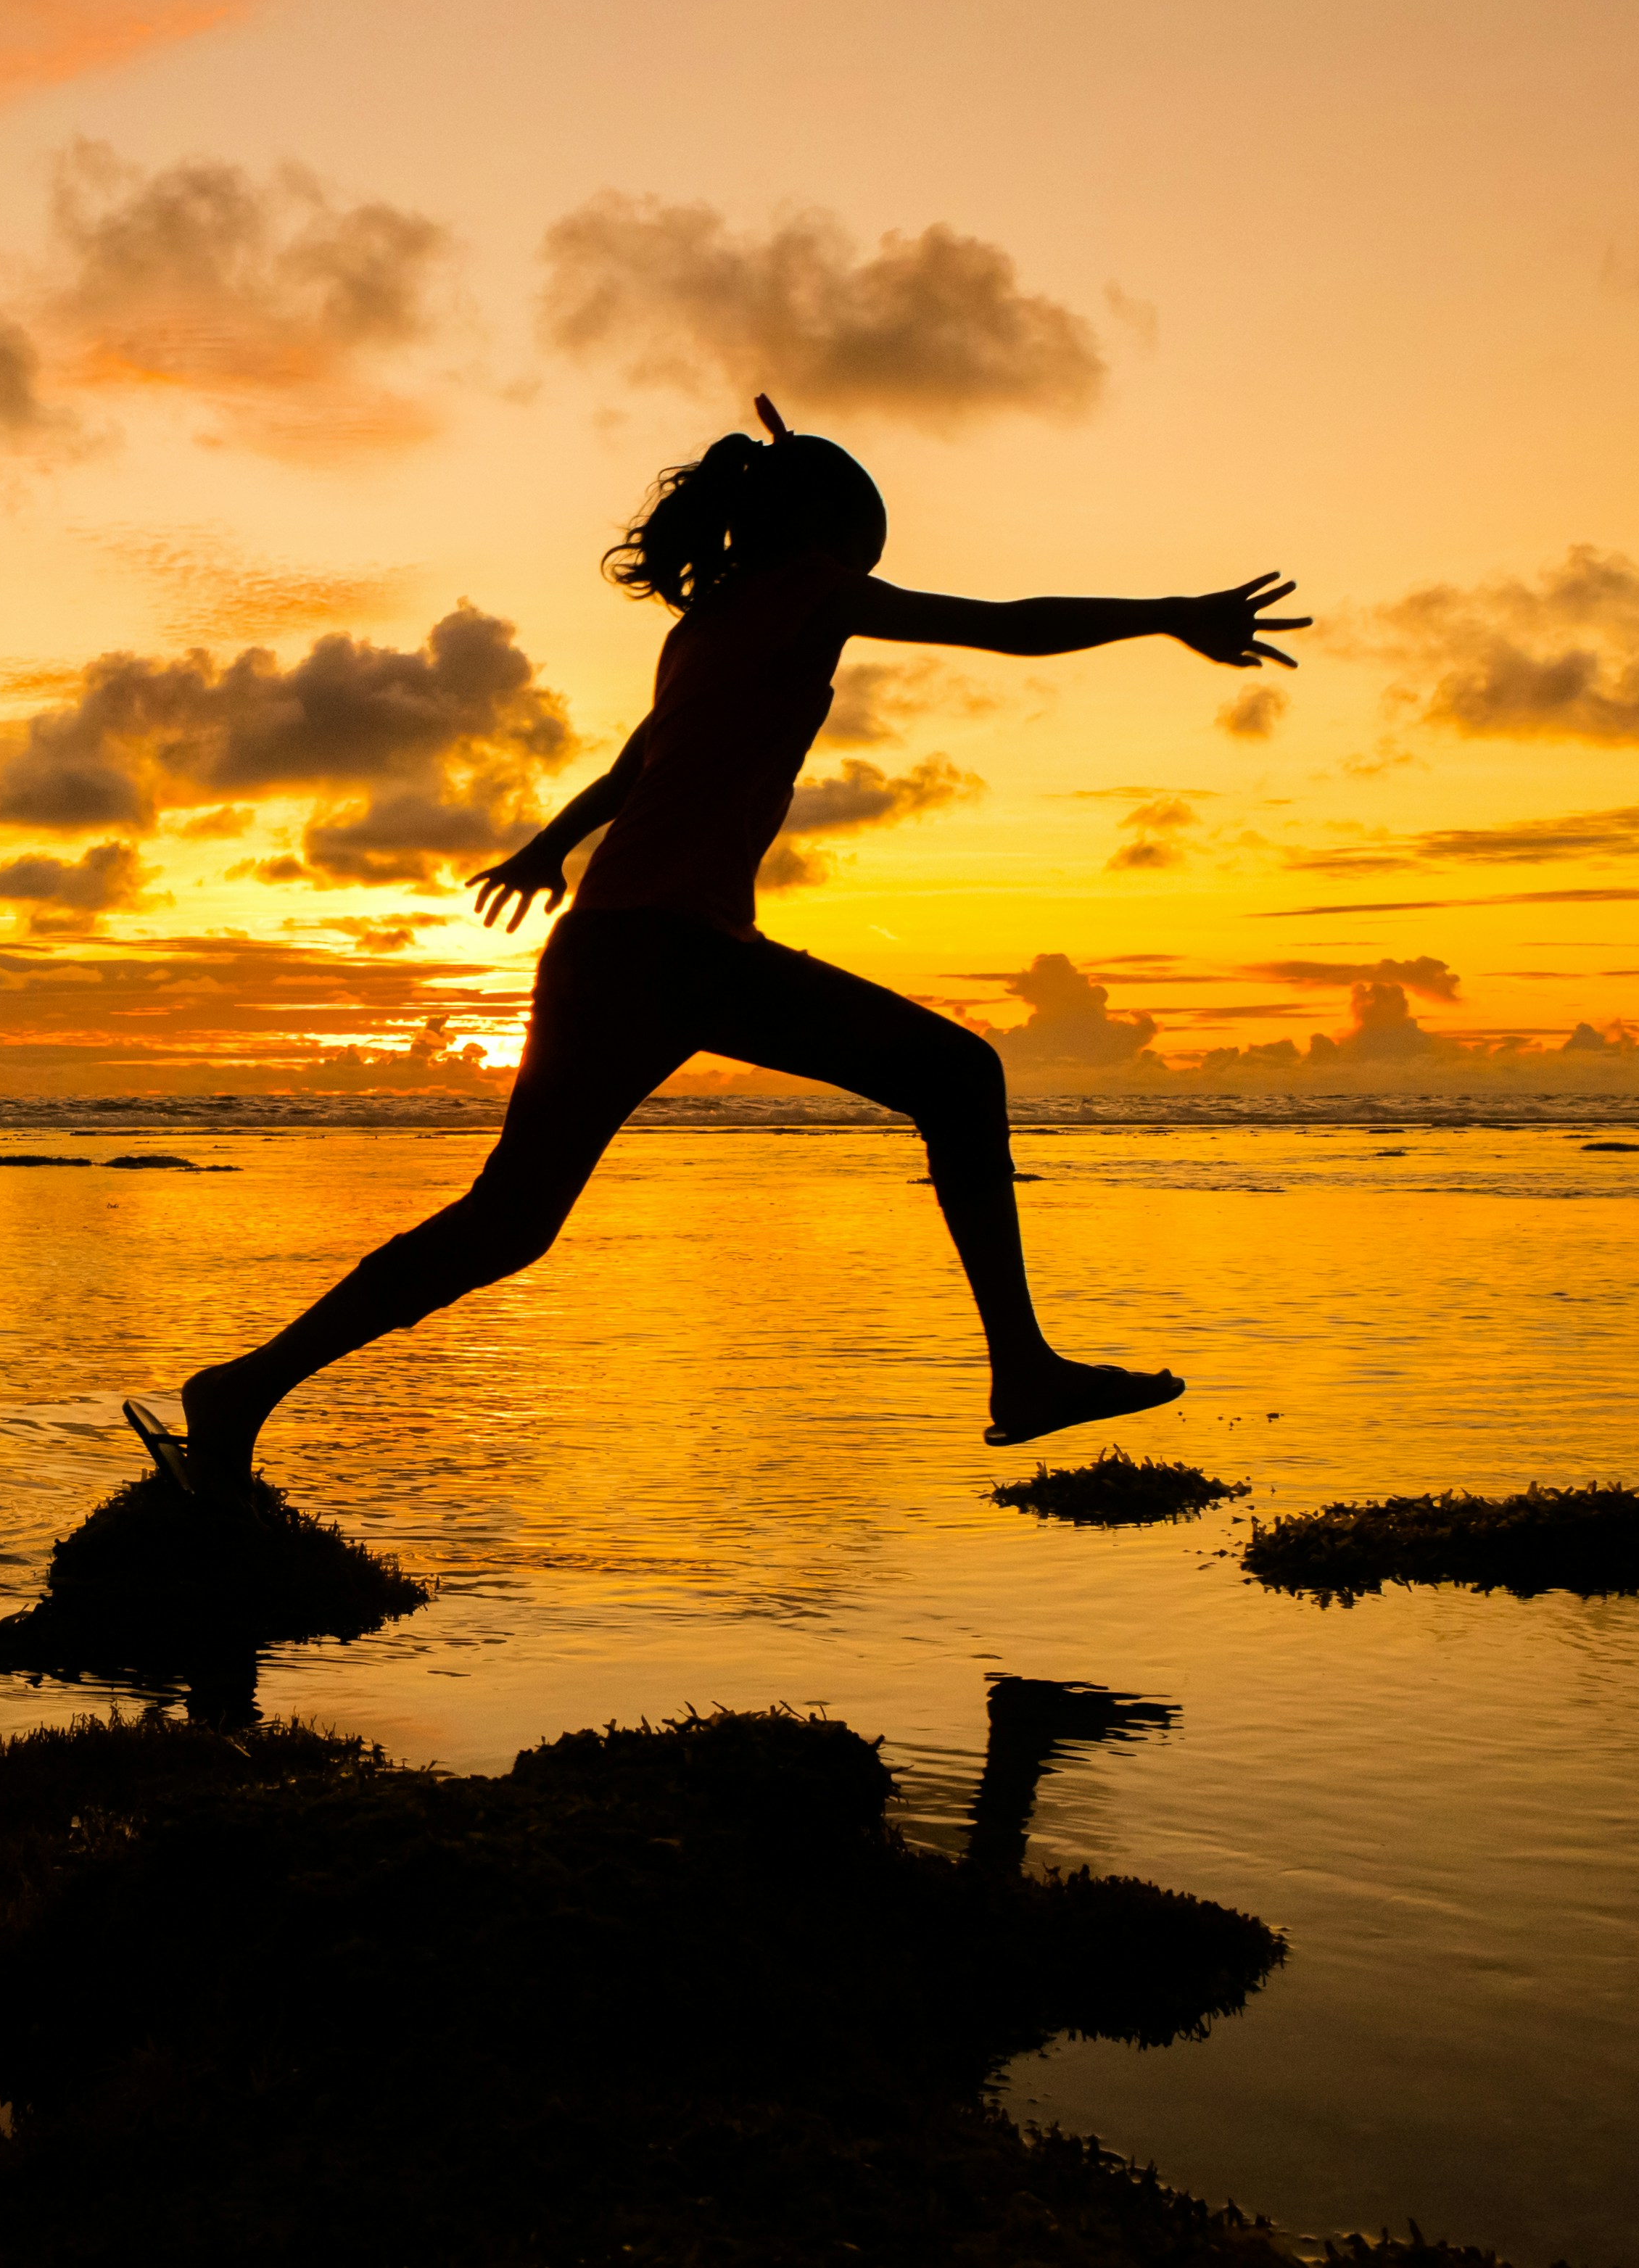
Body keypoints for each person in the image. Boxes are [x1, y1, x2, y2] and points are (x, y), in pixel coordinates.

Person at [125, 396, 1306, 1494]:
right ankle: (1023, 1369)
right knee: (959, 1075)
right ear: (822, 535)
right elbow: (999, 628)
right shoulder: (803, 585)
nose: (866, 577)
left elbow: (636, 761)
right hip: (672, 950)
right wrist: (1167, 616)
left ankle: (238, 1391)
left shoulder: (702, 627)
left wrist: (547, 847)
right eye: (862, 549)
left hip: (602, 951)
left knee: (506, 1221)